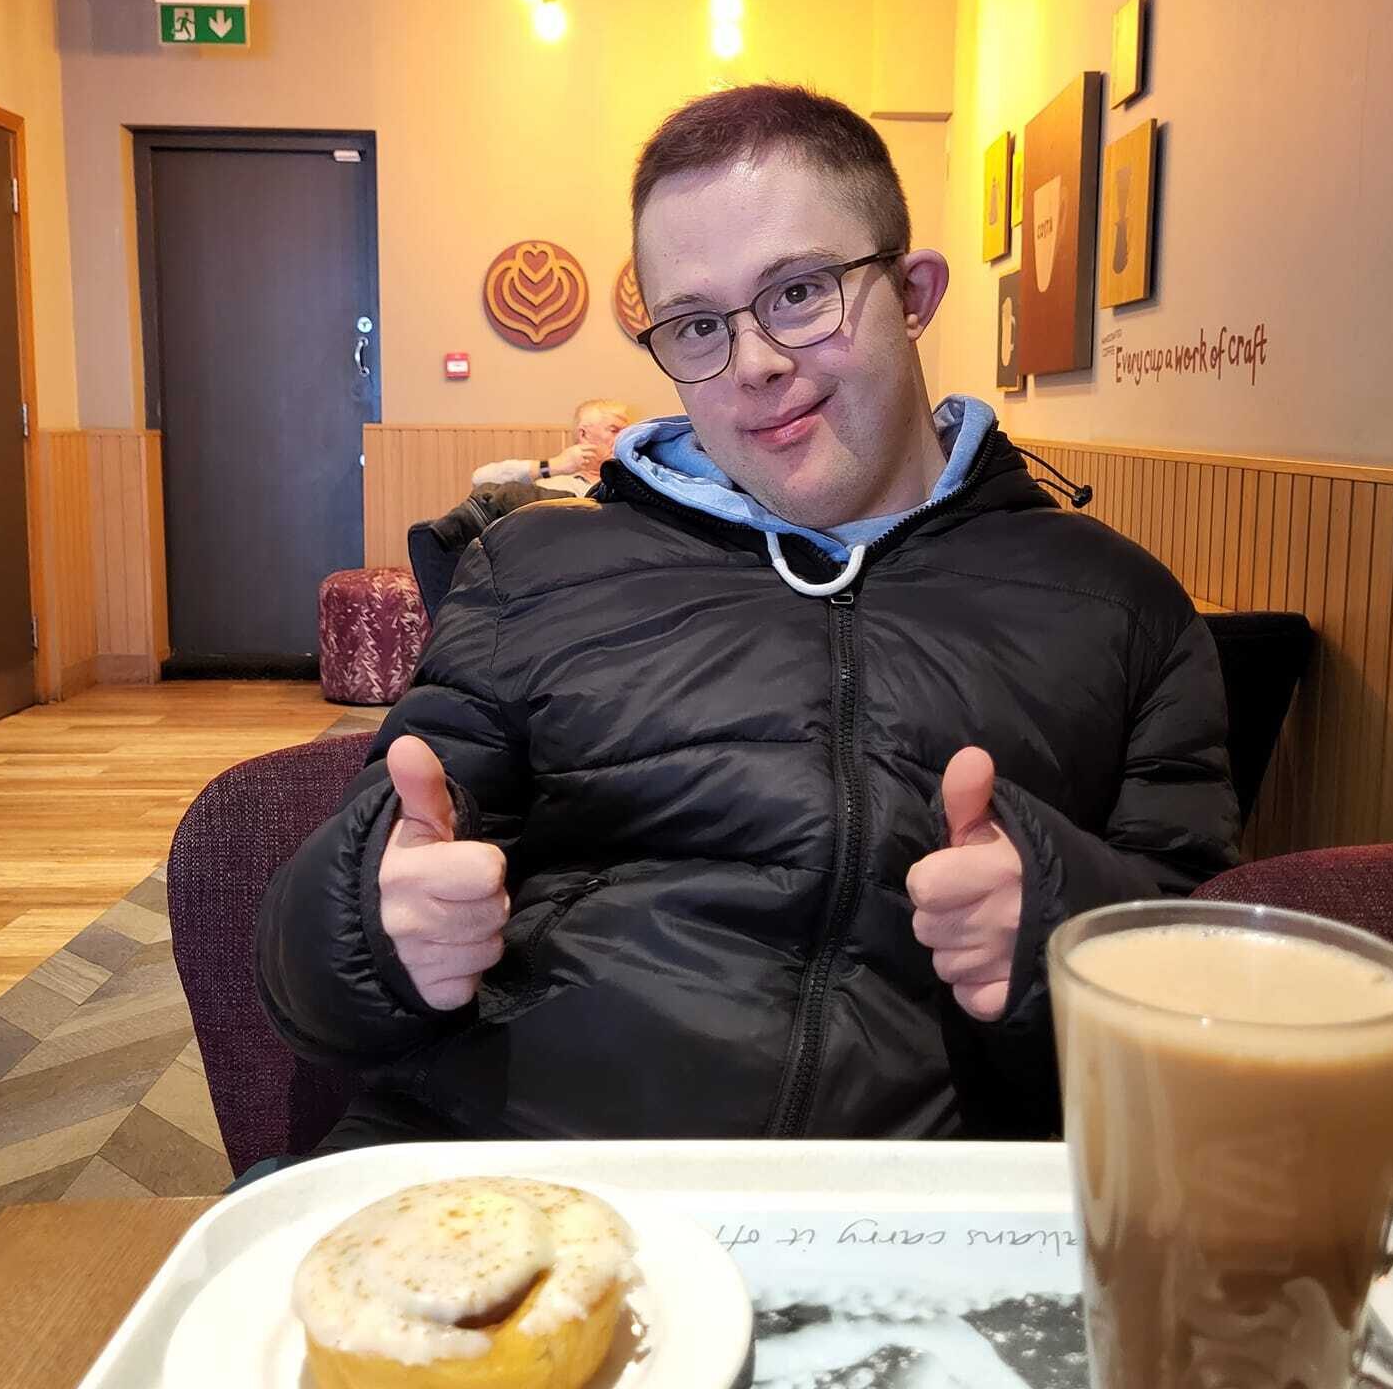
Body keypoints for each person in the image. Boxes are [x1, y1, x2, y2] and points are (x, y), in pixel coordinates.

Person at [257, 85, 1238, 1151]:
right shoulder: (530, 567)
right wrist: (375, 923)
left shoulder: (1120, 604)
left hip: (918, 1226)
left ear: (913, 292)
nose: (756, 364)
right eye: (696, 325)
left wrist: (1059, 934)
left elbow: (1205, 987)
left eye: (802, 292)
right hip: (538, 1193)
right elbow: (312, 984)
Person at [471, 398, 631, 495]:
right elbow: (480, 479)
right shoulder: (552, 483)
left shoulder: (634, 480)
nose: (624, 437)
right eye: (614, 430)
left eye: (627, 431)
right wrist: (552, 466)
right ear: (584, 434)